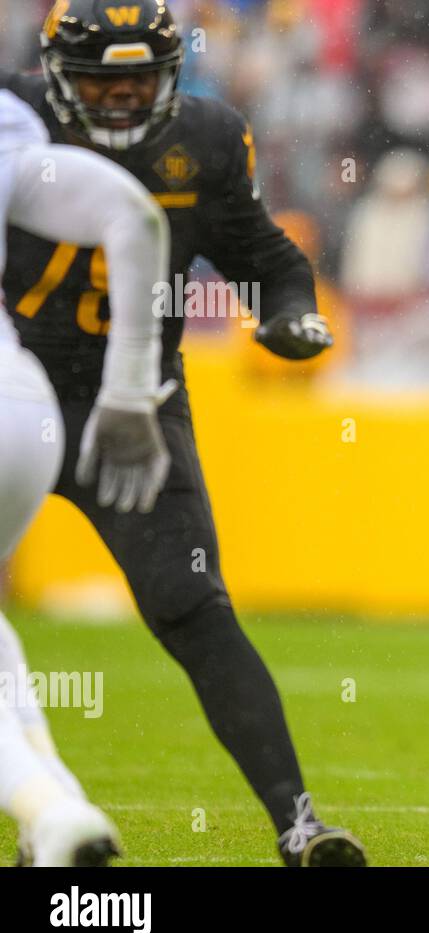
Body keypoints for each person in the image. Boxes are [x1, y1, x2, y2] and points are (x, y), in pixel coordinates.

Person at [2, 0, 361, 866]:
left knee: (195, 610)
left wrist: (289, 317)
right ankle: (48, 810)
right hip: (15, 385)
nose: (121, 100)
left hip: (135, 408)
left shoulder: (204, 136)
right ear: (55, 76)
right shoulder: (16, 117)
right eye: (100, 80)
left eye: (139, 80)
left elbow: (268, 258)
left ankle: (297, 821)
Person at [0, 85, 169, 865]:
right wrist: (129, 387)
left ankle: (44, 808)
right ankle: (58, 815)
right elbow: (130, 215)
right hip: (20, 401)